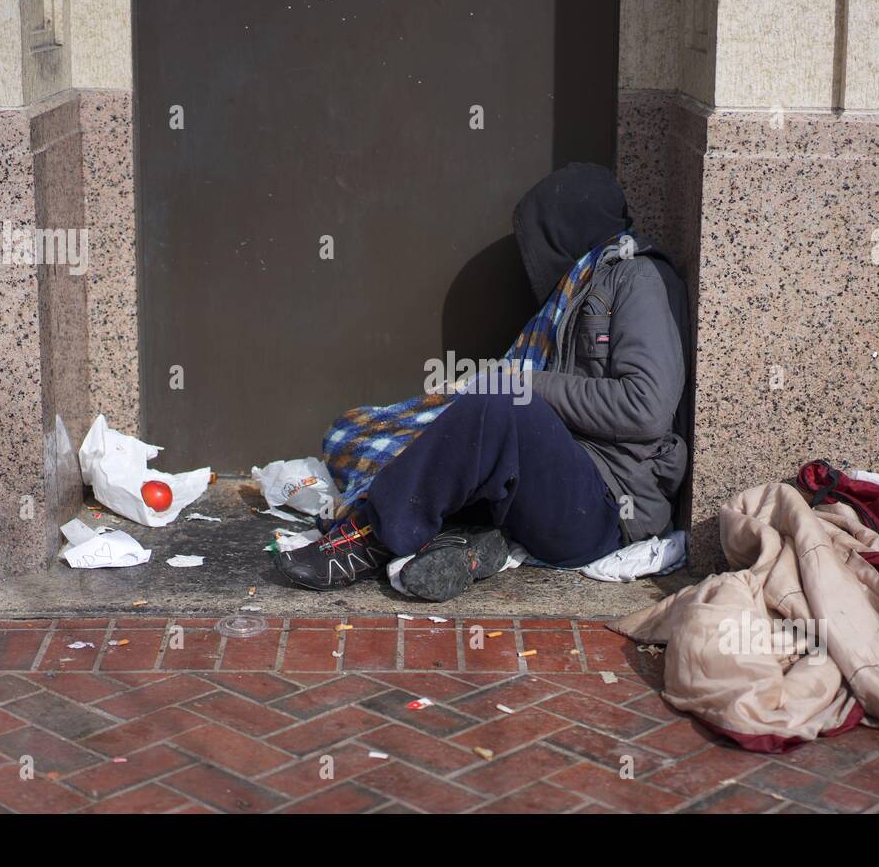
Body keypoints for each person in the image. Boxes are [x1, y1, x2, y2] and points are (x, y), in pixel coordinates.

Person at [277, 163, 689, 600]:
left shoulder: (638, 278)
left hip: (608, 510)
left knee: (501, 402)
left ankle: (369, 540)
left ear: (564, 229)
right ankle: (466, 542)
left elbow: (646, 408)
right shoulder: (583, 283)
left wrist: (529, 383)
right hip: (568, 483)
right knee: (441, 430)